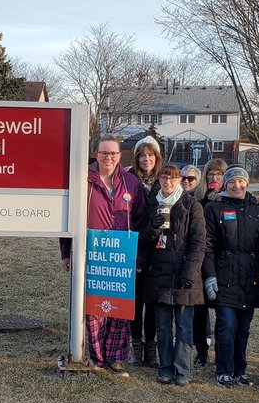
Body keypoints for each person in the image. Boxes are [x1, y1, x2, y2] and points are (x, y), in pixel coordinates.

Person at [60, 134, 147, 376]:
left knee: (118, 309)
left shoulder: (131, 183)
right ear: (96, 154)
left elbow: (141, 221)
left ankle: (116, 359)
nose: (108, 157)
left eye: (113, 153)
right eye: (103, 153)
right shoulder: (82, 181)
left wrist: (138, 257)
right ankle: (97, 357)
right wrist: (66, 253)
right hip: (91, 254)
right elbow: (68, 219)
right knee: (94, 309)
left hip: (122, 256)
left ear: (120, 156)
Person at [202, 166, 259, 387]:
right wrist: (209, 275)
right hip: (224, 276)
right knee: (227, 325)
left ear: (247, 183)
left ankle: (239, 369)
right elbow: (207, 245)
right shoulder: (214, 208)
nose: (237, 186)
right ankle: (223, 369)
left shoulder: (258, 210)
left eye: (240, 181)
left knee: (243, 328)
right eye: (232, 181)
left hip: (249, 279)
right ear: (225, 184)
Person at [139, 165, 205, 387]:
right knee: (163, 326)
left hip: (184, 273)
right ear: (159, 179)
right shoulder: (153, 204)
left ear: (180, 181)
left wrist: (190, 271)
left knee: (184, 326)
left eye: (173, 178)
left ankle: (183, 370)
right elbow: (143, 240)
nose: (168, 182)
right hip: (159, 273)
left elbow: (198, 242)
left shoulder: (191, 205)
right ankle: (165, 367)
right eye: (165, 177)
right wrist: (152, 229)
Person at [129, 135, 163, 366]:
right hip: (134, 244)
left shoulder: (165, 180)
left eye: (150, 155)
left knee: (152, 301)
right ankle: (135, 345)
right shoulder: (128, 178)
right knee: (134, 299)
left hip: (159, 250)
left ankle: (151, 346)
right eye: (142, 155)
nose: (146, 159)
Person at [193, 157, 227, 367]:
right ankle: (201, 350)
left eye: (219, 174)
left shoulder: (232, 200)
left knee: (223, 313)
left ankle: (221, 351)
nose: (214, 178)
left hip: (222, 263)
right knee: (199, 311)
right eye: (211, 174)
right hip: (201, 262)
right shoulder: (199, 199)